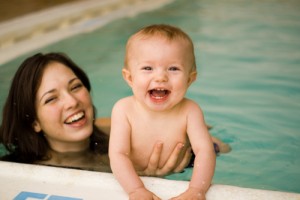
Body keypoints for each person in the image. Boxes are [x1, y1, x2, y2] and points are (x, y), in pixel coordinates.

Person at [0, 52, 192, 175]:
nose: (72, 102)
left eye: (75, 87)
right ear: (34, 121)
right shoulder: (19, 172)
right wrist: (143, 178)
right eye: (51, 99)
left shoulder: (113, 128)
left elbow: (213, 140)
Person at [109, 24, 217, 200]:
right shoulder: (123, 110)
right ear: (130, 78)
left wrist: (197, 190)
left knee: (214, 147)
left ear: (190, 79)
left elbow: (204, 151)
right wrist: (135, 189)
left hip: (184, 166)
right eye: (147, 68)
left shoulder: (190, 110)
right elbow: (118, 154)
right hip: (138, 174)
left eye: (173, 68)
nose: (160, 77)